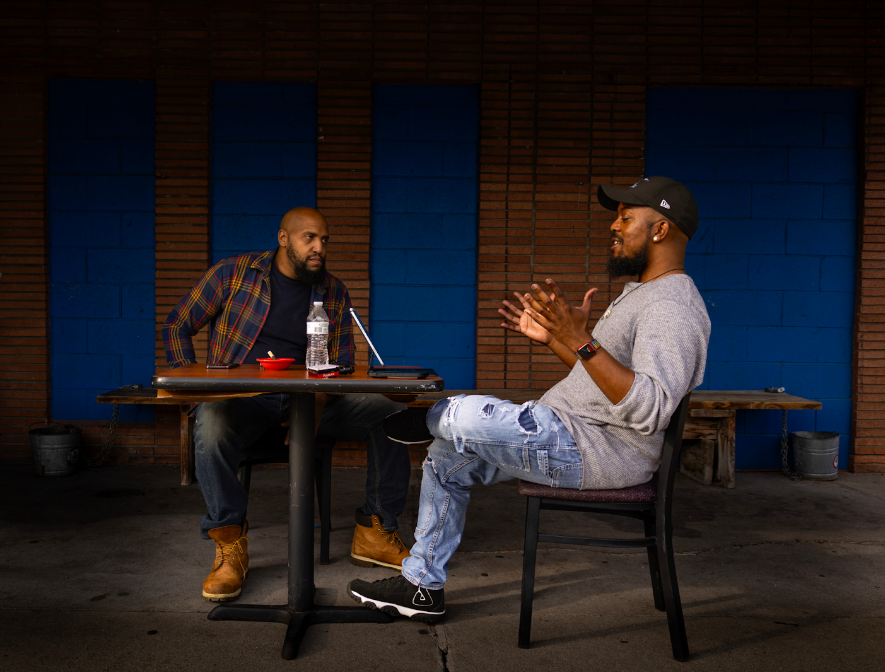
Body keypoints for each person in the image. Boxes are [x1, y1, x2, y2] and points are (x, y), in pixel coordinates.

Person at [346, 176, 711, 623]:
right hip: (570, 432)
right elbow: (600, 382)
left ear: (659, 230)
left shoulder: (672, 308)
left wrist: (582, 341)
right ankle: (422, 585)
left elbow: (652, 409)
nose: (614, 226)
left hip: (596, 451)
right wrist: (559, 341)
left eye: (626, 217)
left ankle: (430, 418)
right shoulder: (644, 295)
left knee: (463, 413)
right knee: (445, 457)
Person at [163, 206, 413, 603]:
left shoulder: (333, 291)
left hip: (315, 399)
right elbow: (178, 324)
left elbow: (343, 364)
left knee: (393, 413)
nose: (319, 247)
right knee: (210, 421)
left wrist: (313, 411)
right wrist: (194, 386)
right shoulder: (232, 274)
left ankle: (374, 531)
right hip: (245, 400)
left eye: (324, 240)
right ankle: (229, 543)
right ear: (284, 239)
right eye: (309, 238)